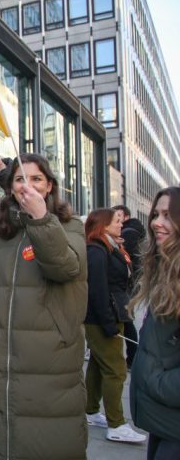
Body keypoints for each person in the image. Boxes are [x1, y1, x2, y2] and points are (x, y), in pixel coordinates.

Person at [0, 153, 88, 459]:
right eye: (20, 180)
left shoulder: (69, 225)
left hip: (49, 358)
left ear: (50, 185)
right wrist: (2, 171)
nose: (28, 186)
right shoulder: (3, 232)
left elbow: (65, 267)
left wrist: (40, 219)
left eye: (37, 179)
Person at [84, 208, 146, 443]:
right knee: (116, 370)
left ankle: (90, 410)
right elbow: (97, 290)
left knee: (98, 366)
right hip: (101, 319)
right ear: (103, 225)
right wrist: (108, 323)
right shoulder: (97, 250)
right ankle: (117, 424)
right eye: (116, 221)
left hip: (110, 315)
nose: (121, 225)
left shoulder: (109, 247)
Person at [129, 186, 180, 459]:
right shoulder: (167, 270)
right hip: (164, 419)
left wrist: (155, 382)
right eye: (156, 214)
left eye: (168, 216)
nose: (156, 222)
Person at [112, 204, 146, 367]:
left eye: (118, 216)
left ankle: (132, 357)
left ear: (126, 217)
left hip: (127, 283)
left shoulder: (128, 233)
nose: (116, 219)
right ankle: (132, 356)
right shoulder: (132, 230)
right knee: (126, 318)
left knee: (126, 318)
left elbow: (126, 258)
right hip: (130, 282)